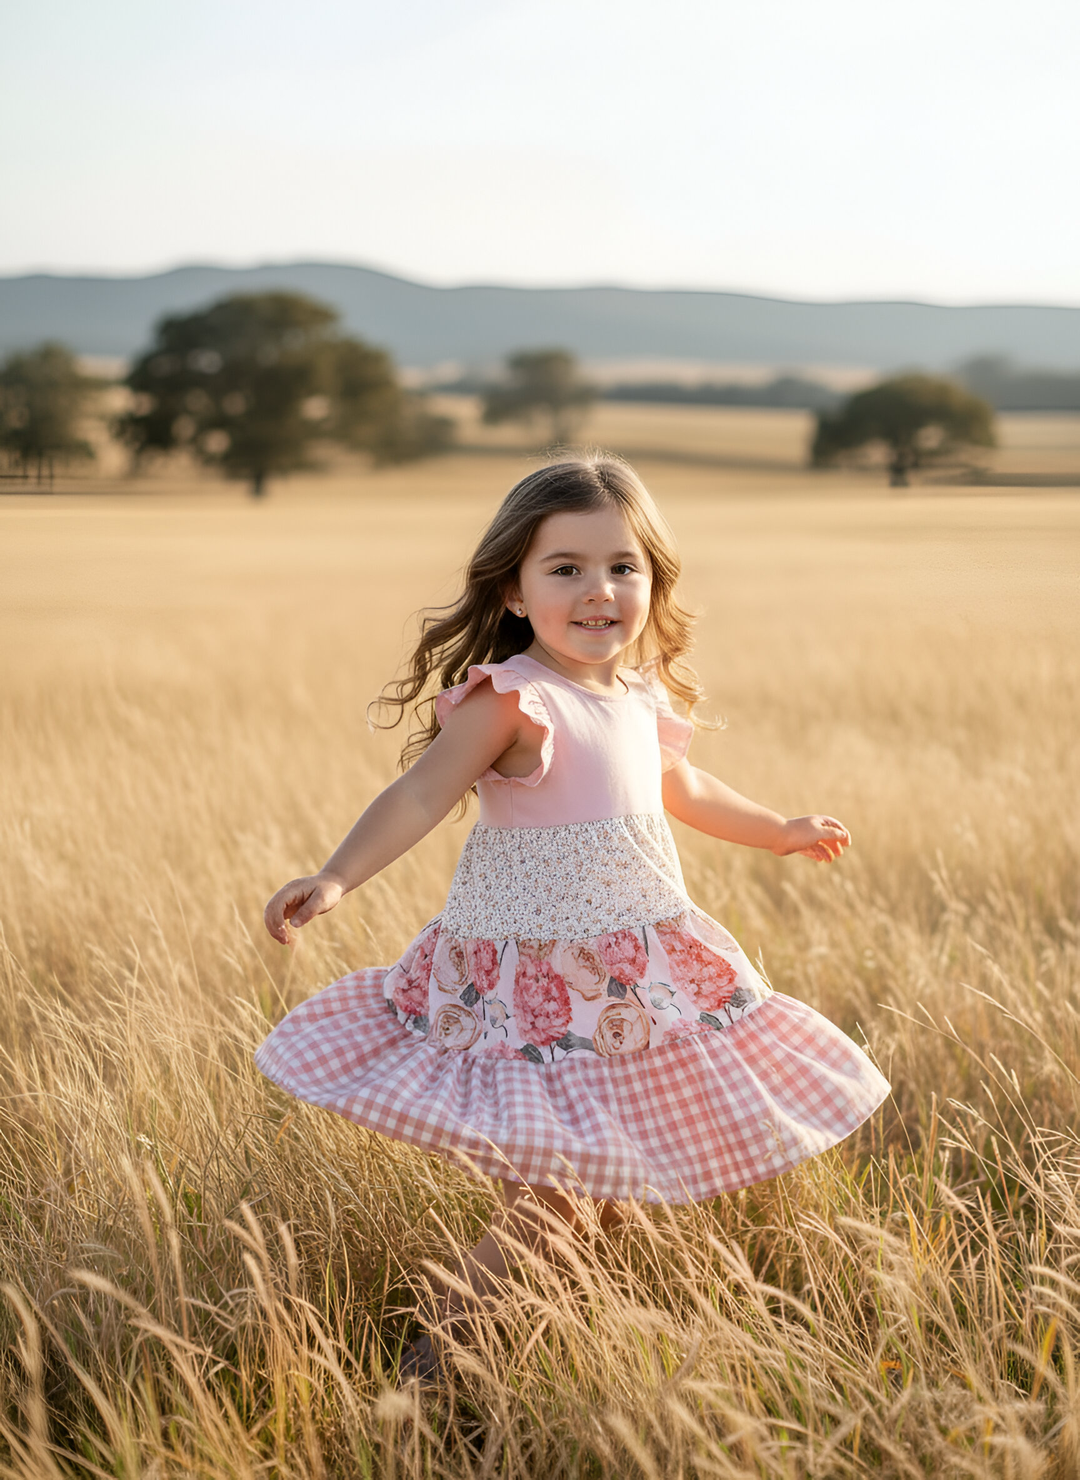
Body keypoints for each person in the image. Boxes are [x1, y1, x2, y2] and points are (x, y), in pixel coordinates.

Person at [256, 456, 890, 1383]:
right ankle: (425, 1378)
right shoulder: (513, 697)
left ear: (653, 583)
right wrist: (337, 877)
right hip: (539, 987)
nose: (599, 590)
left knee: (615, 1187)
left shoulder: (637, 695)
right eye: (566, 569)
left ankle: (563, 1355)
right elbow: (422, 793)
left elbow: (686, 789)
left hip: (632, 975)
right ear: (514, 589)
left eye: (623, 567)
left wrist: (779, 830)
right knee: (552, 1205)